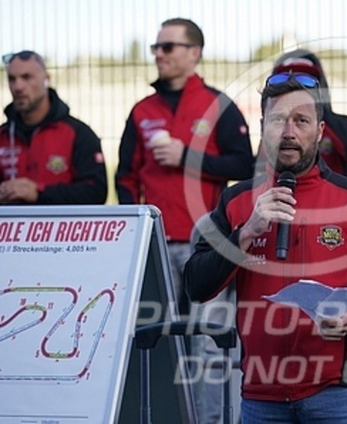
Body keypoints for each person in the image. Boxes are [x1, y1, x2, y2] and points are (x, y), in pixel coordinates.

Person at [184, 72, 347, 423]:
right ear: (263, 128)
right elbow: (196, 286)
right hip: (261, 398)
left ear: (319, 131)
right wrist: (245, 233)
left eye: (301, 121)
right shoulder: (236, 202)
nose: (289, 132)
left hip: (338, 394)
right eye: (278, 120)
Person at [115, 18, 254, 314]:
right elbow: (126, 177)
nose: (158, 54)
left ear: (194, 52)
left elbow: (244, 166)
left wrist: (187, 158)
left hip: (206, 242)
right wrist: (136, 230)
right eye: (155, 47)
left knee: (207, 331)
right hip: (154, 243)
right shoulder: (142, 110)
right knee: (155, 328)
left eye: (167, 47)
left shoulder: (219, 106)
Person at [0, 50, 107, 205]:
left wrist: (39, 193)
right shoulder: (3, 136)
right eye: (12, 79)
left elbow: (96, 192)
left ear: (47, 79)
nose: (18, 86)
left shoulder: (78, 134)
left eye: (26, 77)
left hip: (64, 221)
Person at [257, 48, 347, 178]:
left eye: (306, 80)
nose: (295, 86)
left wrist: (321, 110)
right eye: (287, 80)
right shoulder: (273, 129)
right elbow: (258, 170)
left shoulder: (335, 125)